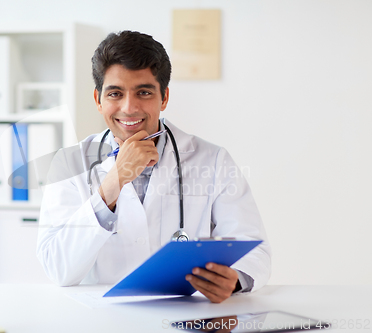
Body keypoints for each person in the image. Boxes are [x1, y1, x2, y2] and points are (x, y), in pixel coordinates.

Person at [37, 30, 271, 303]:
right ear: (98, 100)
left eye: (144, 92)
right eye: (115, 93)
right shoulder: (70, 163)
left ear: (164, 98)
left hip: (181, 317)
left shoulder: (213, 160)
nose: (129, 107)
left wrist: (235, 280)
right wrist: (114, 182)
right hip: (102, 319)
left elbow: (255, 250)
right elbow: (57, 268)